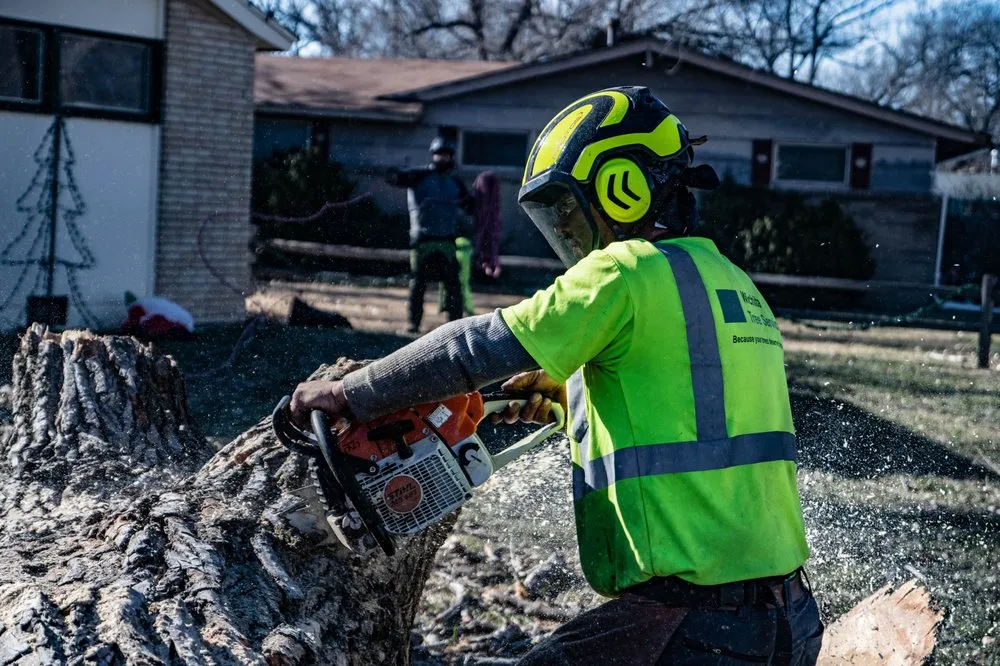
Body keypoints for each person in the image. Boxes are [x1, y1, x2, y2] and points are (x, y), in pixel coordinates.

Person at [292, 86, 823, 664]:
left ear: (623, 188)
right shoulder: (732, 282)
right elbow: (700, 414)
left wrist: (351, 392)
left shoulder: (623, 271)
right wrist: (577, 401)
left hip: (696, 624)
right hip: (789, 617)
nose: (567, 237)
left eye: (568, 212)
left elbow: (473, 348)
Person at [387, 137, 474, 333]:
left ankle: (455, 326)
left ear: (451, 157)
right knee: (418, 285)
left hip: (448, 241)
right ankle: (414, 323)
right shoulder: (418, 176)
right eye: (439, 154)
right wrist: (395, 173)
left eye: (446, 155)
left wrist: (479, 198)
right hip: (423, 240)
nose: (443, 158)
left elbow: (469, 207)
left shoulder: (455, 182)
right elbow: (394, 178)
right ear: (433, 155)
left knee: (453, 285)